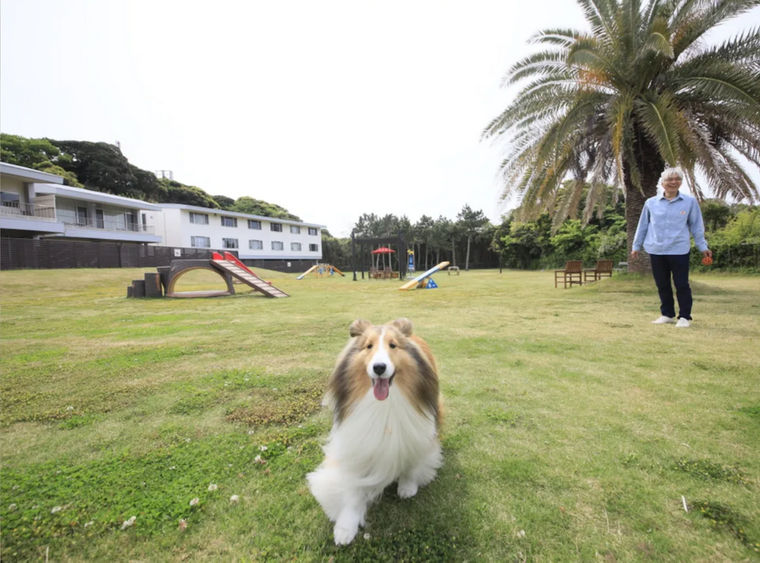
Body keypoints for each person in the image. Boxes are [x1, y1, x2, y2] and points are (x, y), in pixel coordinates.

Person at [630, 167, 712, 328]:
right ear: (662, 183)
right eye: (669, 179)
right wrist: (636, 246)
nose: (673, 182)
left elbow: (696, 226)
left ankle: (684, 316)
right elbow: (643, 226)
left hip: (679, 250)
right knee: (662, 284)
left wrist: (703, 247)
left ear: (680, 182)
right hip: (656, 249)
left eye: (677, 179)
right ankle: (667, 314)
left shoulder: (689, 202)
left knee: (682, 284)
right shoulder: (651, 203)